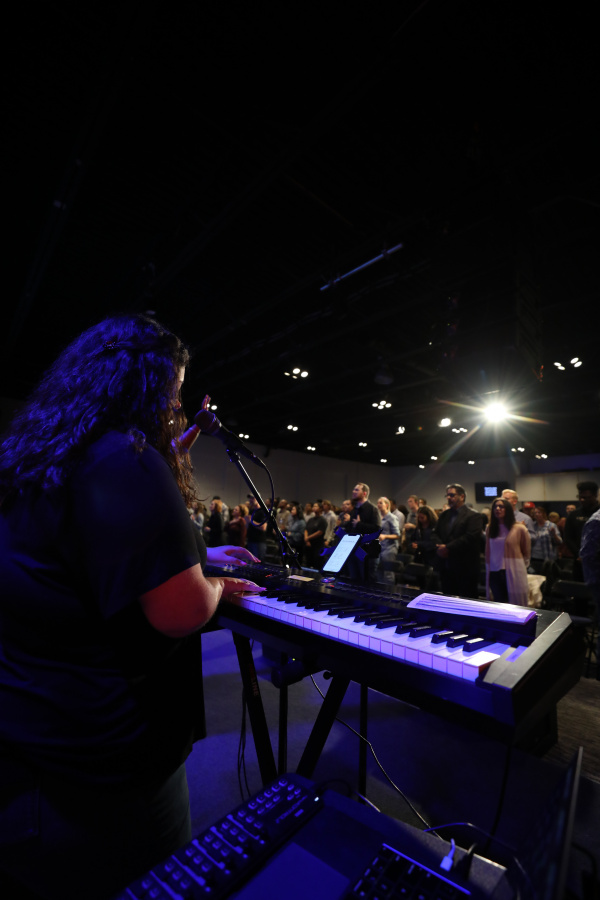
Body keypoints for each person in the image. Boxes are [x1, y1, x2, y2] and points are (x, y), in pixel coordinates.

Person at [0, 314, 264, 900]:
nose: (176, 406)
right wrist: (216, 584)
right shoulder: (127, 456)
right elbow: (180, 611)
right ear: (146, 384)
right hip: (104, 768)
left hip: (33, 741)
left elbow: (97, 547)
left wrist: (198, 550)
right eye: (174, 391)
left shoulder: (46, 454)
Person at [434, 484, 483, 599]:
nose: (448, 498)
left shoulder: (474, 515)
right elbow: (435, 533)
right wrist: (439, 546)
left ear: (462, 497)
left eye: (452, 495)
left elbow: (470, 537)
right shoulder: (444, 515)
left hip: (465, 566)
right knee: (448, 598)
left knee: (467, 600)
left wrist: (447, 547)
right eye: (447, 495)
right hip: (446, 565)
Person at [485, 497, 530, 605]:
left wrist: (521, 566)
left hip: (514, 569)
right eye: (495, 507)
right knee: (499, 603)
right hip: (494, 570)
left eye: (501, 506)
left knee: (515, 603)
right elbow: (488, 549)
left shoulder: (519, 528)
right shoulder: (490, 528)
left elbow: (526, 552)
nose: (497, 509)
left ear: (508, 510)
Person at [564, 482, 600, 581]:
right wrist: (579, 555)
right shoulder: (574, 515)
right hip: (580, 562)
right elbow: (568, 538)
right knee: (579, 588)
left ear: (595, 496)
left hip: (597, 562)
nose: (582, 500)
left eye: (586, 497)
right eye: (580, 497)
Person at [529, 506, 562, 574]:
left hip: (548, 557)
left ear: (543, 514)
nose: (537, 514)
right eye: (535, 513)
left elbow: (559, 542)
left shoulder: (551, 525)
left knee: (548, 577)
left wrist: (554, 534)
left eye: (539, 512)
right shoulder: (532, 525)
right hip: (534, 557)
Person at [376, 496, 400, 584]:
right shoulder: (378, 517)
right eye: (378, 503)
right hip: (379, 547)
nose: (378, 505)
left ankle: (390, 590)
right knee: (379, 571)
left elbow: (397, 535)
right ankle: (380, 590)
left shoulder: (392, 517)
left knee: (388, 573)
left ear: (386, 505)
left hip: (389, 548)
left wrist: (385, 536)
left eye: (381, 503)